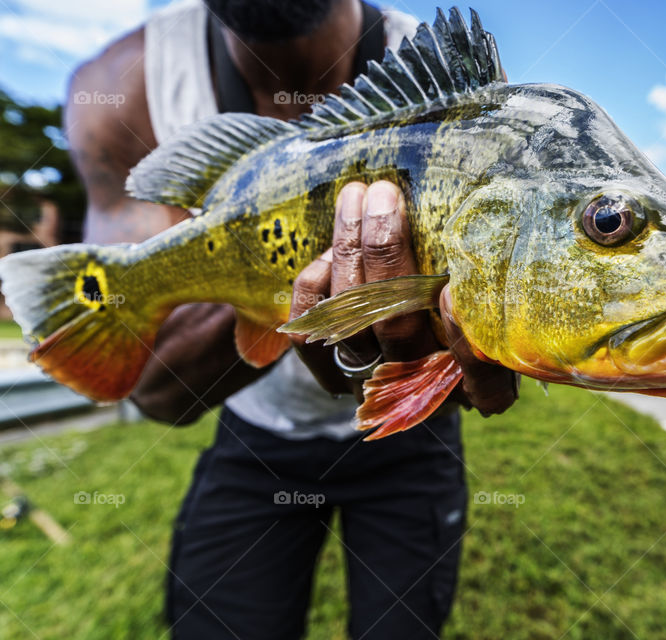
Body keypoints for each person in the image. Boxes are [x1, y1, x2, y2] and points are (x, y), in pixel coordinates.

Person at [64, 1, 517, 638]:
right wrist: (298, 304)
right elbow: (154, 389)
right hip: (257, 441)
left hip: (412, 442)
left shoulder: (449, 78)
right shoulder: (124, 84)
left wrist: (472, 349)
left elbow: (480, 371)